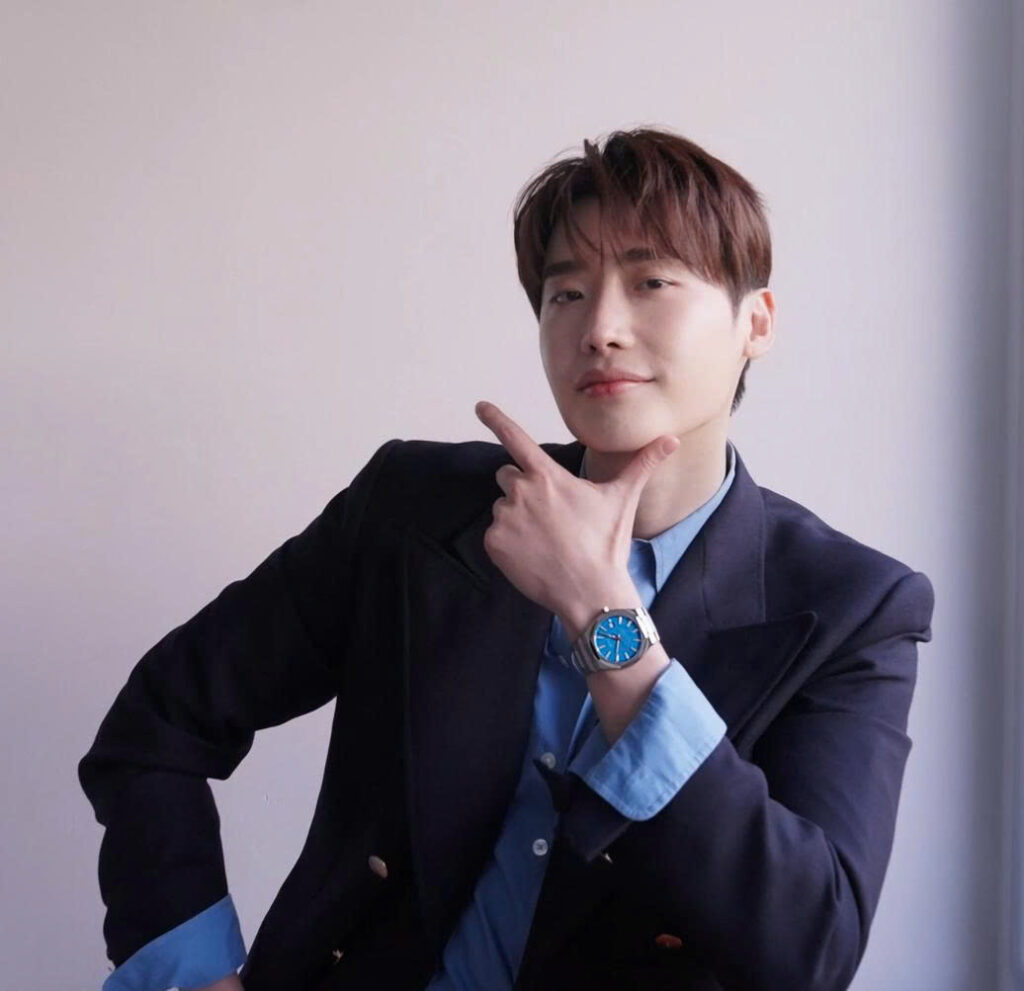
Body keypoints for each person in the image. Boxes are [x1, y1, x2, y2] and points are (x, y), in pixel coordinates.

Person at [79, 126, 935, 991]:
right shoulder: (415, 509)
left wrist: (603, 616)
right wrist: (187, 972)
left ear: (756, 322)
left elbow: (810, 946)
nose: (599, 328)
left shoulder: (852, 607)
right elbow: (161, 719)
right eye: (567, 292)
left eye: (650, 282)